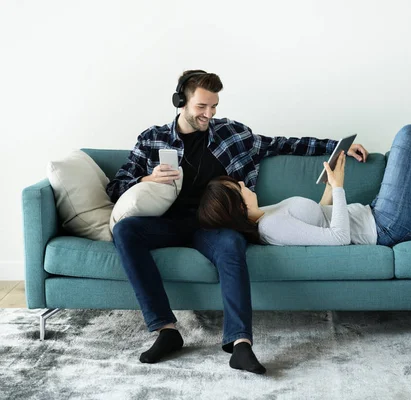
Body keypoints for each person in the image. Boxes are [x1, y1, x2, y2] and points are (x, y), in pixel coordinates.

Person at [106, 69, 369, 373]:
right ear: (181, 101)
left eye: (214, 106)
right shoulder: (152, 140)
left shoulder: (232, 134)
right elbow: (116, 187)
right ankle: (166, 331)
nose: (209, 114)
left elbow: (283, 144)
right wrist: (146, 178)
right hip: (168, 222)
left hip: (215, 226)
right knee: (125, 231)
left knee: (232, 243)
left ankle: (240, 345)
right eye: (201, 107)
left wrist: (337, 148)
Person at [196, 96, 411, 247]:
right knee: (410, 135)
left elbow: (319, 214)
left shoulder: (265, 214)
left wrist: (331, 180)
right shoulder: (270, 229)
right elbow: (340, 238)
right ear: (237, 205)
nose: (241, 182)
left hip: (375, 216)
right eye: (237, 187)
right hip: (383, 230)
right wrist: (340, 187)